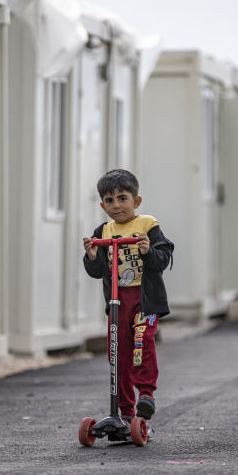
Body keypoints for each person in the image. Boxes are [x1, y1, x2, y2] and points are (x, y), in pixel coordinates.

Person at [83, 169, 174, 428]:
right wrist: (91, 256)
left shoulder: (147, 225)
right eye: (109, 201)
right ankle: (124, 411)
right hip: (117, 301)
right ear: (103, 205)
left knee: (141, 342)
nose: (116, 205)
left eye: (122, 198)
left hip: (145, 299)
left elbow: (163, 258)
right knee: (117, 353)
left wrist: (147, 251)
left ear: (136, 201)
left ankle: (145, 393)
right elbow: (97, 270)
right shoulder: (103, 231)